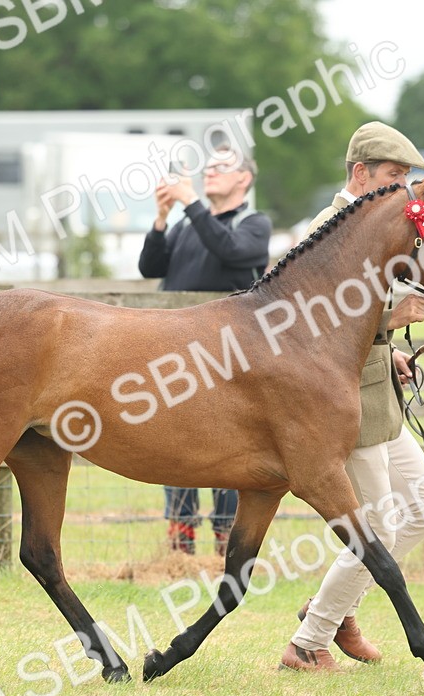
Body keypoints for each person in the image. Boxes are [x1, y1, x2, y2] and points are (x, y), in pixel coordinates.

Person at [282, 121, 424, 672]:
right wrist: (389, 318)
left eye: (407, 178)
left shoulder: (377, 223)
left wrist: (388, 348)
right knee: (378, 528)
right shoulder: (329, 227)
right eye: (393, 175)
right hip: (339, 402)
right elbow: (310, 318)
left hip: (378, 389)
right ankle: (310, 640)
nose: (404, 187)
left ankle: (335, 606)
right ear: (360, 174)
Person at [138, 146, 272, 556]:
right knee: (172, 445)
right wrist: (162, 219)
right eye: (207, 168)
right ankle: (180, 547)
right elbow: (150, 268)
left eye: (219, 168)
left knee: (227, 450)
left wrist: (191, 202)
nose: (208, 174)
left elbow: (230, 250)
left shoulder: (255, 224)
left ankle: (223, 548)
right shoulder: (186, 225)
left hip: (227, 356)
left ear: (244, 179)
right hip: (174, 354)